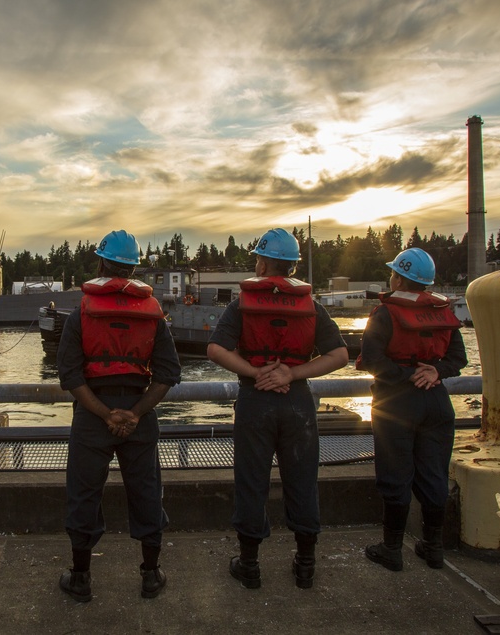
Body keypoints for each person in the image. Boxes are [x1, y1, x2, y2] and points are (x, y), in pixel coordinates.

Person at [207, 228, 348, 591]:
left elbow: (216, 349)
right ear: (293, 266)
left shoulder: (241, 303)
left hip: (256, 400)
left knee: (251, 481)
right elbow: (340, 354)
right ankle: (305, 565)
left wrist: (257, 373)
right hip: (297, 401)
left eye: (258, 258)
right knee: (302, 481)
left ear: (264, 262)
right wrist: (292, 373)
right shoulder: (311, 306)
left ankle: (250, 566)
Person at [57, 229, 181, 603]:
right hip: (138, 414)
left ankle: (80, 579)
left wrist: (104, 414)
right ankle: (150, 575)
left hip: (92, 416)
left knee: (84, 495)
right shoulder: (153, 313)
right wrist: (134, 413)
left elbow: (69, 374)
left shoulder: (81, 311)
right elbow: (167, 374)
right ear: (133, 270)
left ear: (101, 263)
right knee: (146, 493)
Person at [358, 248, 467, 572]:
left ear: (398, 277)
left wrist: (407, 376)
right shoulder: (443, 311)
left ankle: (392, 549)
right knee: (434, 476)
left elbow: (373, 360)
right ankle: (433, 548)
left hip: (396, 401)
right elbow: (458, 359)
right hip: (436, 400)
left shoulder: (385, 313)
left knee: (395, 476)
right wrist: (434, 371)